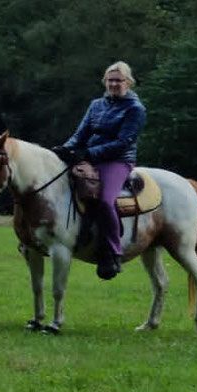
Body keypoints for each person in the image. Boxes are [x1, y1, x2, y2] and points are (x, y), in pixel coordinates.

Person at [57, 60, 146, 280]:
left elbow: (123, 142)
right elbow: (81, 133)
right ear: (105, 81)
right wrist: (65, 149)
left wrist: (88, 154)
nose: (114, 84)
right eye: (110, 80)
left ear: (128, 82)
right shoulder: (96, 104)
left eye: (118, 80)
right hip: (90, 158)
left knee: (106, 200)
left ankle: (114, 252)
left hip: (117, 161)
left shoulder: (135, 109)